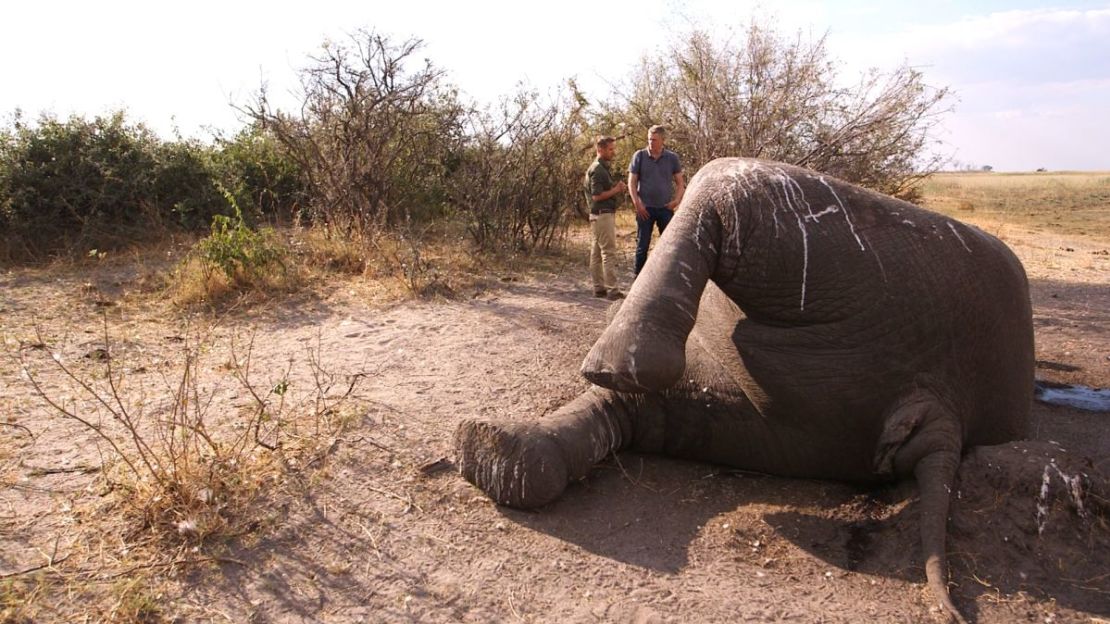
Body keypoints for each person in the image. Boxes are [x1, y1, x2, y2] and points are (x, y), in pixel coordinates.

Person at [628, 125, 685, 276]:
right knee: (642, 246)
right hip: (645, 209)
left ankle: (669, 278)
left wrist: (676, 201)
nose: (651, 142)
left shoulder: (672, 158)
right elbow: (632, 182)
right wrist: (637, 204)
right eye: (649, 139)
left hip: (665, 209)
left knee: (670, 246)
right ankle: (637, 280)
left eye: (654, 140)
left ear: (662, 140)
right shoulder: (639, 156)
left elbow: (680, 182)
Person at [584, 135, 627, 300]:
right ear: (599, 149)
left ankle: (599, 288)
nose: (613, 152)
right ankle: (613, 290)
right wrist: (616, 190)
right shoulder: (598, 169)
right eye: (610, 149)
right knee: (608, 253)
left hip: (597, 216)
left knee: (596, 253)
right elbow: (596, 196)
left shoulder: (598, 168)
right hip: (602, 215)